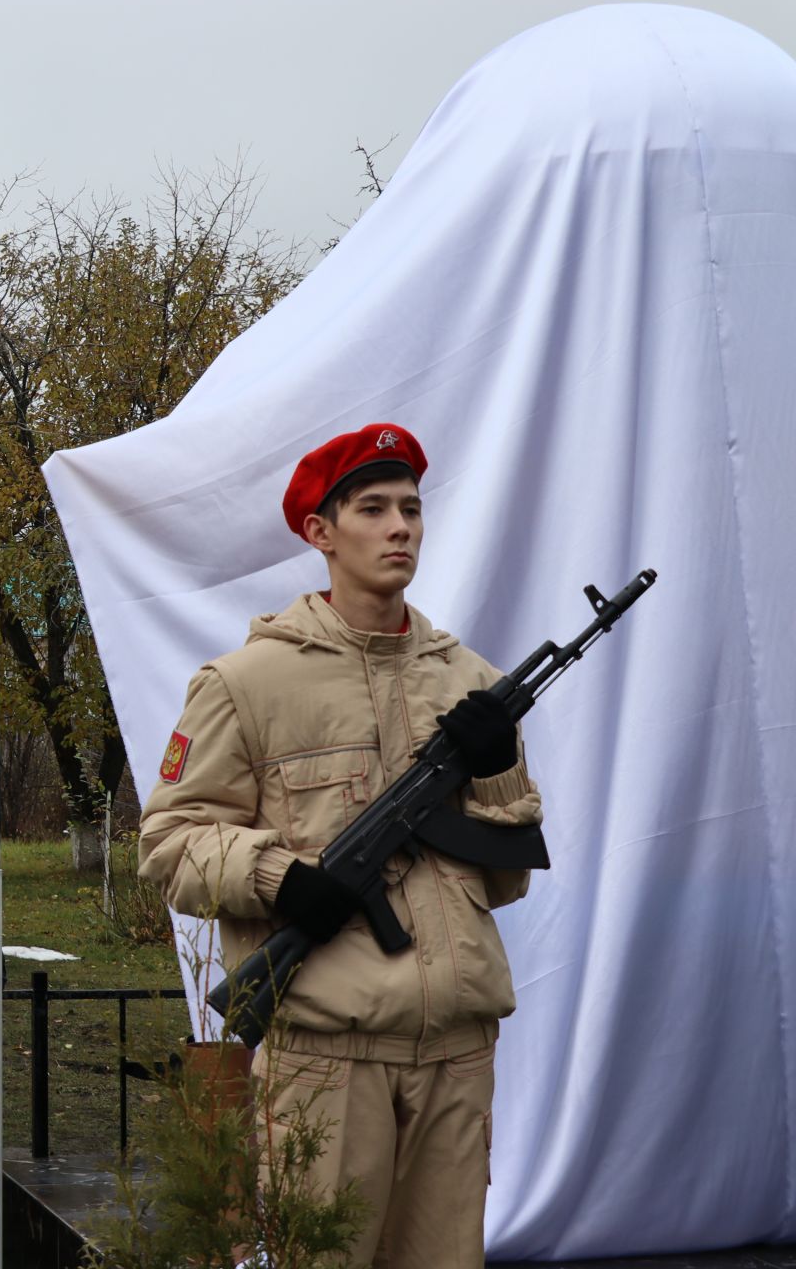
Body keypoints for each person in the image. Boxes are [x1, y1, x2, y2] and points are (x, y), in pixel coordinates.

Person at [139, 423, 542, 1269]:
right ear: (320, 532)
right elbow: (169, 845)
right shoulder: (246, 683)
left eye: (411, 509)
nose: (400, 527)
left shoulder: (467, 681)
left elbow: (505, 881)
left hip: (457, 1050)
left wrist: (499, 772)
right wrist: (281, 880)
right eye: (372, 509)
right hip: (327, 1054)